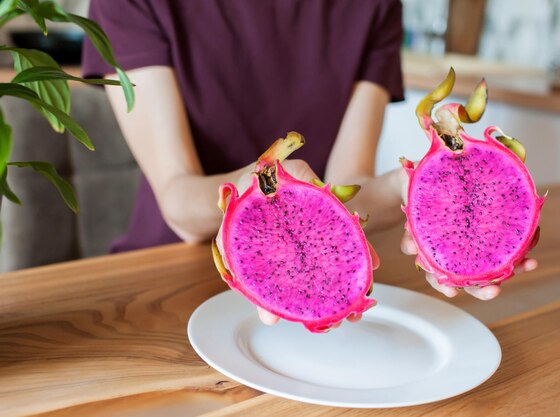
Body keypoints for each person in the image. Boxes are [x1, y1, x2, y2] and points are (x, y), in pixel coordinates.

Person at [83, 0, 536, 325]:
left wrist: (410, 188)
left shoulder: (374, 7)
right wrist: (259, 185)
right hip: (160, 287)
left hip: (306, 303)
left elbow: (348, 185)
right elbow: (177, 201)